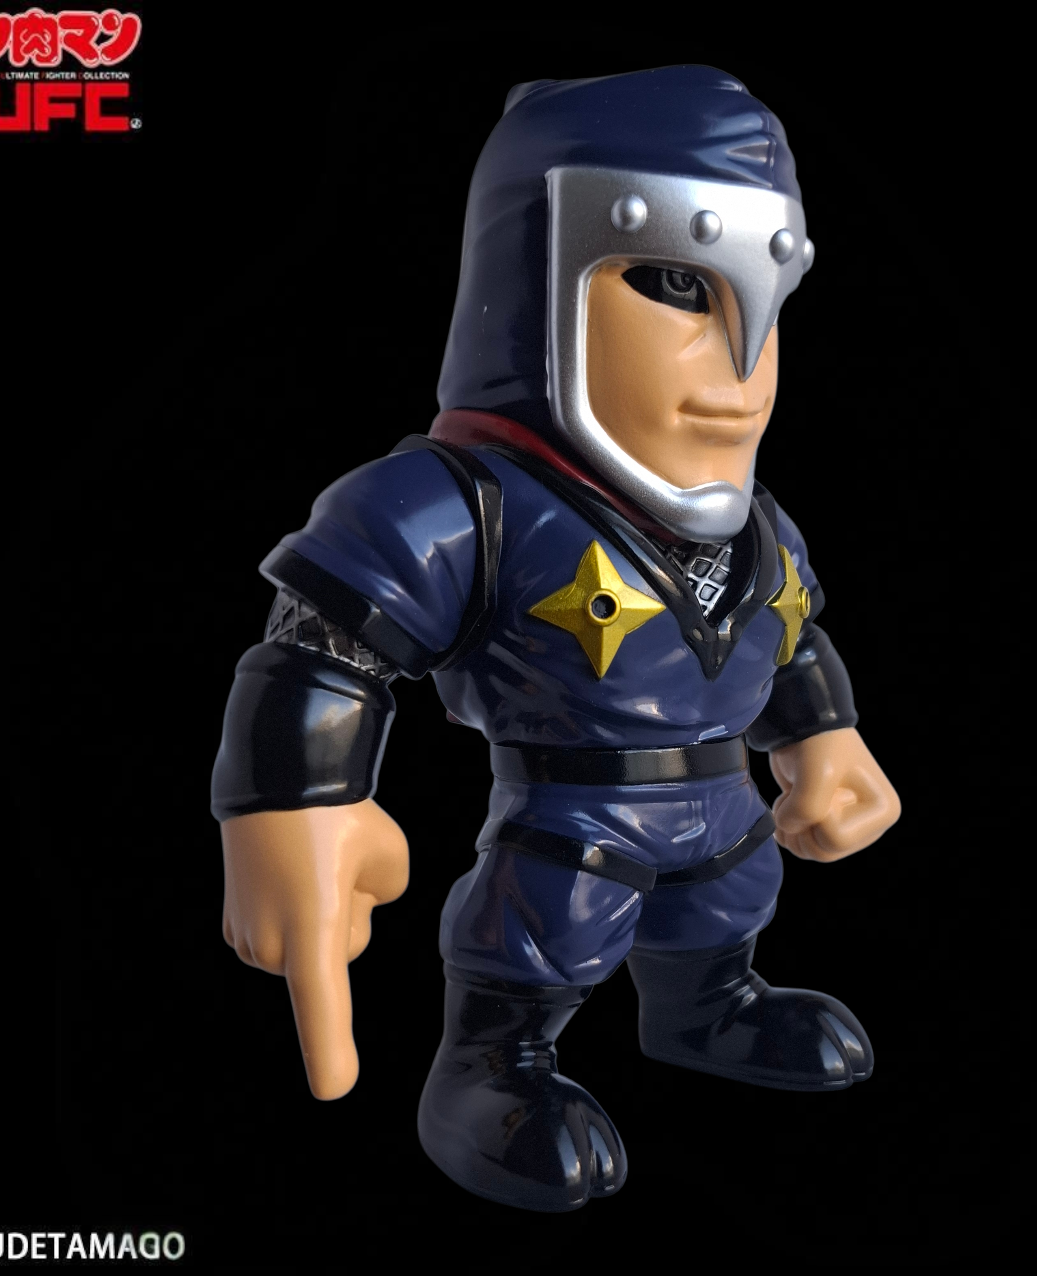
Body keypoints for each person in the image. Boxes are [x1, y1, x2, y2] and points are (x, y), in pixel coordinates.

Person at [211, 66, 901, 1213]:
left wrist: (824, 738)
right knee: (548, 922)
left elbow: (787, 635)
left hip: (724, 807)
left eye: (768, 302)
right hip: (574, 815)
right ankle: (491, 1064)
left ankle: (705, 1009)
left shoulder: (757, 522)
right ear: (537, 285)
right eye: (678, 285)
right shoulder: (469, 503)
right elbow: (325, 644)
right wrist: (294, 799)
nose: (742, 372)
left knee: (726, 898)